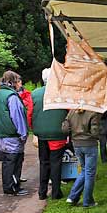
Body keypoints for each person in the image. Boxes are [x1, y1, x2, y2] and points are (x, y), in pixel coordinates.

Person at [31, 68, 68, 200]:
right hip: (58, 134)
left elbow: (30, 114)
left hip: (41, 134)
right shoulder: (63, 93)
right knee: (56, 163)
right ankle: (56, 192)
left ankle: (42, 192)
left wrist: (34, 129)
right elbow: (69, 112)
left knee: (43, 162)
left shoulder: (34, 94)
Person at [0, 71, 29, 196]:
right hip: (11, 136)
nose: (20, 84)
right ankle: (12, 188)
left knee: (7, 162)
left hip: (0, 135)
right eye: (18, 81)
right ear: (12, 82)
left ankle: (8, 186)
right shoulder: (12, 97)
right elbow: (17, 118)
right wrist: (23, 135)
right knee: (14, 162)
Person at [63, 108, 101, 208]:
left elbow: (65, 129)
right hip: (89, 144)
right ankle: (87, 201)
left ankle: (72, 197)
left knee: (84, 171)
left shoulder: (71, 112)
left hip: (76, 144)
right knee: (89, 173)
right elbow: (95, 132)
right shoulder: (92, 112)